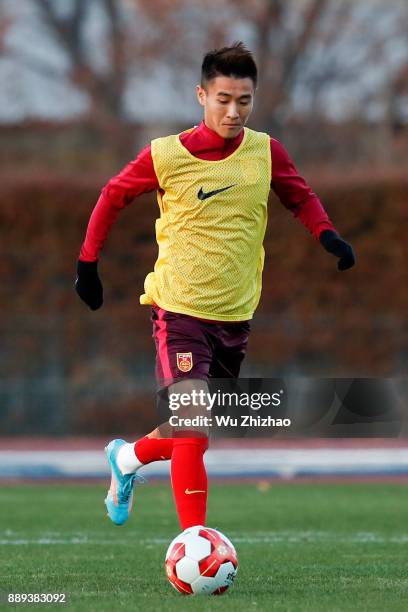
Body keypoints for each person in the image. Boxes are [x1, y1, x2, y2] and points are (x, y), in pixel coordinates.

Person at [75, 42, 355, 529]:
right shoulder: (167, 155)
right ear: (201, 95)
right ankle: (195, 542)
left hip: (235, 316)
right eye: (223, 99)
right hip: (179, 310)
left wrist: (327, 234)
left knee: (191, 429)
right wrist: (87, 263)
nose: (233, 111)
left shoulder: (264, 151)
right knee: (193, 428)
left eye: (243, 100)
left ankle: (125, 461)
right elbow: (112, 195)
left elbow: (299, 196)